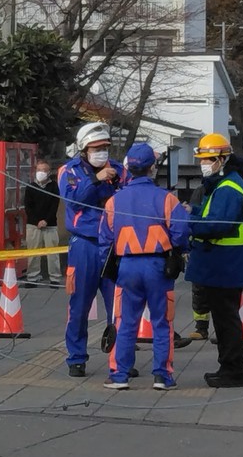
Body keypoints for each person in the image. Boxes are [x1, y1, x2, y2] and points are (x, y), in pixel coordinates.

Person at [102, 143, 189, 390]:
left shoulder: (114, 201)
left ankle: (119, 375)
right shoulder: (167, 199)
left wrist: (111, 268)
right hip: (158, 266)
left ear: (128, 168)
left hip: (127, 265)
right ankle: (163, 376)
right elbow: (182, 231)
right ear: (152, 168)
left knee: (125, 321)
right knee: (162, 322)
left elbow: (104, 239)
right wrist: (178, 250)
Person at [183, 132, 243, 388]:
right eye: (202, 159)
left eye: (208, 159)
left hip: (226, 264)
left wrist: (187, 220)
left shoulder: (228, 188)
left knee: (227, 320)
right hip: (224, 264)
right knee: (225, 319)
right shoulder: (223, 185)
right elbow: (211, 215)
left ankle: (233, 371)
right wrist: (193, 211)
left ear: (222, 159)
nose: (203, 164)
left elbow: (216, 225)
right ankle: (229, 367)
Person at [60, 121, 122, 377]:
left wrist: (115, 181)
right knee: (79, 305)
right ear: (84, 150)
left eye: (105, 147)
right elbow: (73, 201)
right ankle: (76, 358)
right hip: (84, 245)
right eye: (96, 148)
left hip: (113, 246)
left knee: (118, 307)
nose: (102, 153)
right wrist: (95, 180)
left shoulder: (118, 170)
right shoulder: (69, 171)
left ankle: (120, 360)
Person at [22, 159, 63, 285]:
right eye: (39, 170)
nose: (41, 172)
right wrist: (37, 222)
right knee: (33, 252)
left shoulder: (54, 186)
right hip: (33, 225)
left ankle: (55, 278)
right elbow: (28, 207)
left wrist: (46, 220)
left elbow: (54, 206)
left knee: (52, 253)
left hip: (50, 225)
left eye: (44, 170)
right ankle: (32, 277)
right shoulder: (30, 187)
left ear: (49, 172)